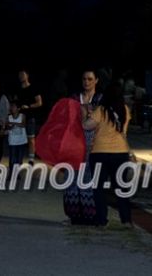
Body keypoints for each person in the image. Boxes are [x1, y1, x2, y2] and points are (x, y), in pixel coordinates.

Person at [83, 83, 133, 227]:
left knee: (98, 188)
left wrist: (86, 114)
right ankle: (126, 220)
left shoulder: (101, 110)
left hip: (100, 153)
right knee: (121, 188)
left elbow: (87, 126)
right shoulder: (125, 110)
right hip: (120, 153)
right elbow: (124, 132)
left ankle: (101, 219)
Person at [63, 69, 102, 226]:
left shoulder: (100, 99)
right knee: (72, 176)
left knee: (88, 178)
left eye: (90, 79)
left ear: (96, 80)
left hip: (92, 142)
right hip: (74, 141)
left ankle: (89, 214)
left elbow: (101, 122)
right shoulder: (74, 98)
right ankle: (74, 214)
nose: (87, 82)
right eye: (84, 79)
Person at [15, 69, 43, 163]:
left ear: (27, 76)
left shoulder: (33, 88)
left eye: (23, 74)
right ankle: (19, 159)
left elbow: (39, 103)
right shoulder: (18, 89)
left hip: (30, 117)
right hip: (19, 117)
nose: (21, 76)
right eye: (19, 75)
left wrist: (29, 106)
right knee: (19, 139)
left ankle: (31, 159)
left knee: (31, 138)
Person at [5, 100, 26, 176]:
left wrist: (13, 123)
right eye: (12, 106)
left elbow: (23, 125)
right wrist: (11, 126)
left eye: (14, 106)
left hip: (21, 141)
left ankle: (17, 173)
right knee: (12, 158)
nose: (12, 108)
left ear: (18, 108)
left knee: (19, 159)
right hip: (12, 141)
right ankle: (11, 173)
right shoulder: (9, 117)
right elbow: (8, 127)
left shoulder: (22, 116)